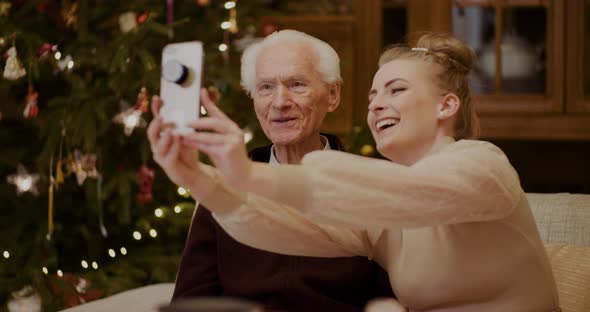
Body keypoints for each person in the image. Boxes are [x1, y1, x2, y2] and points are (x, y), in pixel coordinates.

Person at [154, 32, 561, 311]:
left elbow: (421, 194)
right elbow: (284, 227)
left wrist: (246, 174)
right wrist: (198, 178)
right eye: (373, 94)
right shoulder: (385, 218)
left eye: (396, 90)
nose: (377, 104)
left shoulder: (484, 165)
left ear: (446, 105)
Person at [149, 30, 393, 311]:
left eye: (297, 84)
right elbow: (190, 301)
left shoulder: (371, 184)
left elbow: (394, 299)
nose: (279, 102)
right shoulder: (222, 187)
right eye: (265, 87)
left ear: (333, 94)